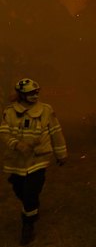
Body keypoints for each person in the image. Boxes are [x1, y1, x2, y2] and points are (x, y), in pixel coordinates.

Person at [0, 78, 67, 245]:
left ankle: (28, 226)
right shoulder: (9, 112)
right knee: (19, 190)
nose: (35, 95)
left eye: (36, 92)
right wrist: (16, 144)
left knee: (30, 192)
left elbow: (56, 132)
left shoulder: (46, 111)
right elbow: (4, 132)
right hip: (17, 162)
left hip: (39, 159)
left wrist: (61, 154)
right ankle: (31, 208)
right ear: (21, 94)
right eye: (30, 93)